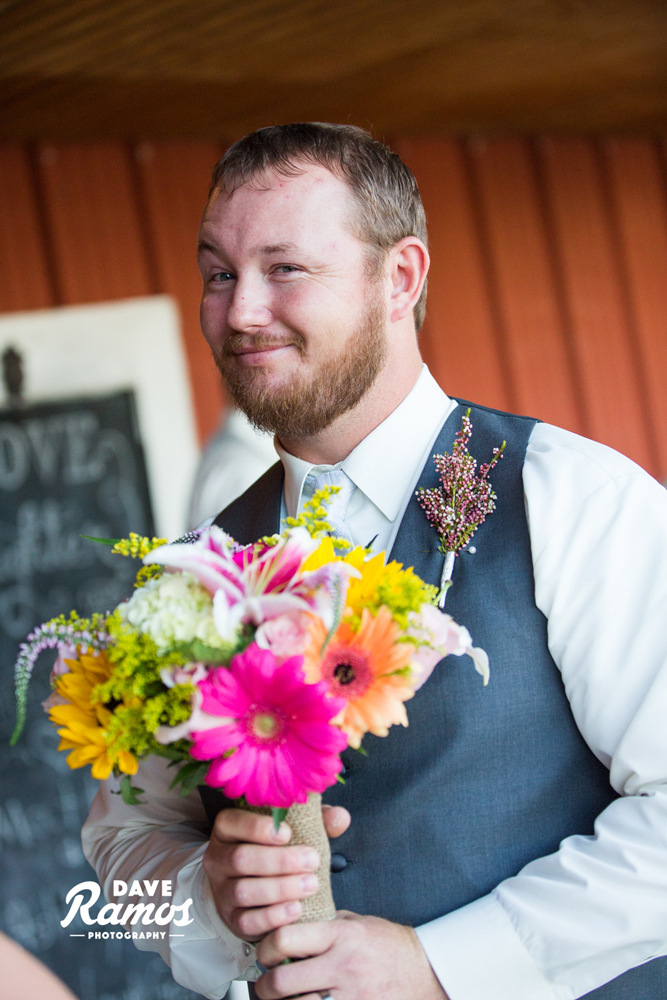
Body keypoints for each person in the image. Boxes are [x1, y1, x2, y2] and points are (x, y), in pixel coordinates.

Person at [82, 123, 667, 1000]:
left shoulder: (567, 498)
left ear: (399, 279)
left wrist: (442, 969)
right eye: (218, 273)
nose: (240, 311)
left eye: (283, 269)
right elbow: (106, 894)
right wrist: (201, 900)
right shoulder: (186, 579)